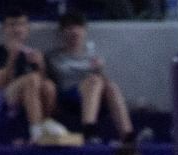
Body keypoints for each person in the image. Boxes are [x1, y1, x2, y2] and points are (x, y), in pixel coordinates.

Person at [46, 13, 134, 143]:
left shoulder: (92, 56)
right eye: (70, 28)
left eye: (78, 28)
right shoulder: (55, 56)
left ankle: (127, 135)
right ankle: (89, 130)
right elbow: (64, 74)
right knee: (94, 81)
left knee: (111, 86)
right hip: (68, 95)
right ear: (63, 32)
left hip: (94, 95)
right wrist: (89, 71)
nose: (74, 32)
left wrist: (99, 69)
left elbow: (103, 81)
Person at [0, 8, 69, 146]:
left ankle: (45, 123)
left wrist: (41, 65)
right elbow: (1, 83)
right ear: (4, 28)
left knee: (48, 85)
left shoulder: (34, 53)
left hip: (30, 100)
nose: (17, 29)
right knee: (32, 79)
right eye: (12, 25)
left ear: (27, 28)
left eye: (21, 24)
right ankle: (37, 131)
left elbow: (49, 89)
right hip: (4, 102)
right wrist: (12, 58)